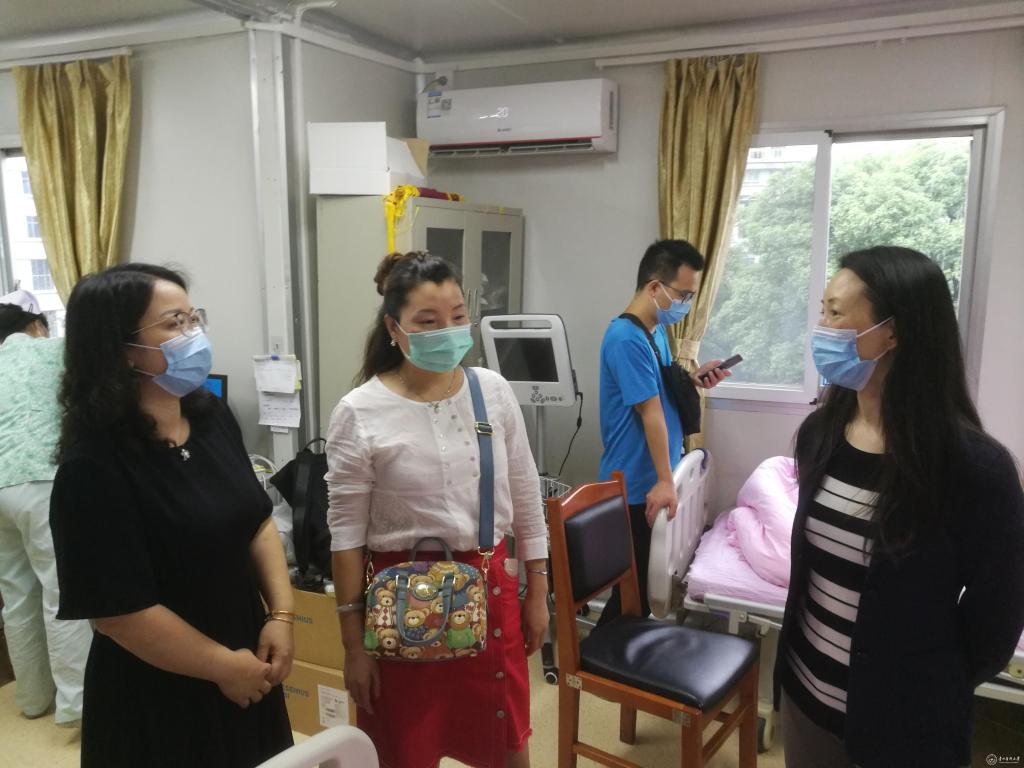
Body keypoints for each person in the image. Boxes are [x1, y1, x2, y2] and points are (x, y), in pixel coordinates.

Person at [775, 246, 1024, 768]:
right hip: (805, 698)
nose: (820, 328)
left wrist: (921, 685)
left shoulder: (976, 469)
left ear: (892, 332)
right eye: (822, 310)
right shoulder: (821, 434)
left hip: (903, 726)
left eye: (835, 313)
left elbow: (996, 624)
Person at [48, 264, 294, 767]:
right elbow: (119, 613)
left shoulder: (211, 417)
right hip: (159, 685)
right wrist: (223, 668)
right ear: (121, 348)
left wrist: (283, 616)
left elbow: (256, 520)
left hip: (246, 654)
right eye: (173, 323)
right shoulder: (92, 466)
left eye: (193, 317)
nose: (193, 334)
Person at [326, 251, 549, 768]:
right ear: (394, 328)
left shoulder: (491, 391)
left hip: (490, 591)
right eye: (427, 321)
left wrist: (538, 592)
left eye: (457, 316)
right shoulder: (359, 412)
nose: (446, 331)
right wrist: (353, 647)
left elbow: (525, 498)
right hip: (403, 605)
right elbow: (346, 538)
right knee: (407, 747)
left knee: (507, 741)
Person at [596, 239, 729, 625]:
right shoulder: (625, 338)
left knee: (639, 591)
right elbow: (650, 413)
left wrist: (694, 379)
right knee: (632, 593)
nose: (685, 303)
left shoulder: (653, 331)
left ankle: (619, 647)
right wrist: (665, 480)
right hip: (636, 484)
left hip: (652, 479)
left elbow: (660, 388)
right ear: (655, 287)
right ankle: (602, 653)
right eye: (683, 295)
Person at [0, 294, 91, 726]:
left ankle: (33, 698)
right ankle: (78, 704)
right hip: (40, 479)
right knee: (61, 592)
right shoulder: (53, 351)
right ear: (36, 325)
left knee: (16, 596)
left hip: (0, 488)